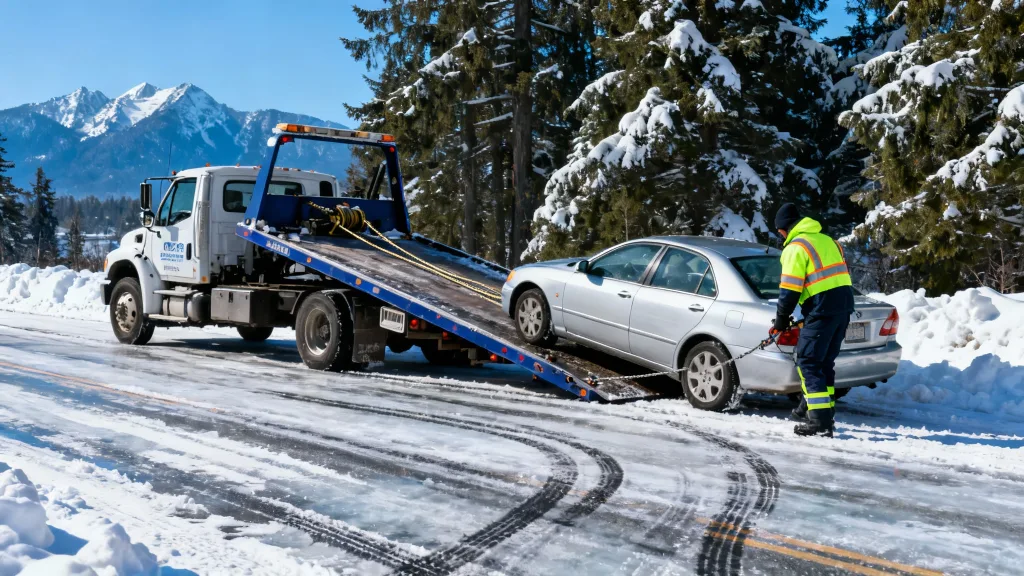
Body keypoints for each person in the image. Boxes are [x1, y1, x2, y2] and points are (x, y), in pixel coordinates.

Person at [771, 203, 855, 437]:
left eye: (779, 231)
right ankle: (824, 413)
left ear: (784, 228)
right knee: (824, 362)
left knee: (808, 361)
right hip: (843, 307)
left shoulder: (796, 248)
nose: (780, 236)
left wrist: (780, 320)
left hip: (822, 310)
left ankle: (819, 423)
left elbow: (789, 290)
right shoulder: (829, 241)